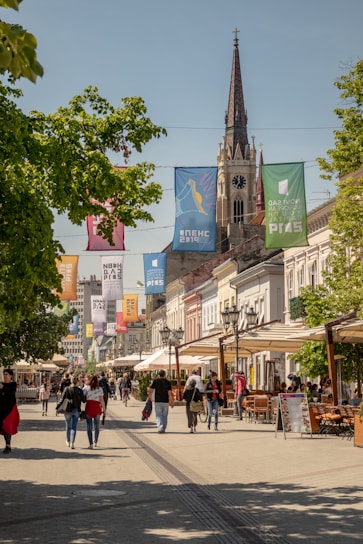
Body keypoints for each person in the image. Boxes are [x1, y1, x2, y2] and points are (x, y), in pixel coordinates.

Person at [57, 375, 85, 449]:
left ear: (71, 381)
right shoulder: (79, 390)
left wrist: (57, 407)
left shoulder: (67, 389)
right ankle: (72, 442)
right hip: (76, 409)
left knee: (68, 426)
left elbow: (62, 399)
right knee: (74, 427)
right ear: (77, 381)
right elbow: (84, 400)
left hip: (67, 409)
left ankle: (68, 441)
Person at [0, 369, 20, 454]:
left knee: (7, 426)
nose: (5, 376)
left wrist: (3, 388)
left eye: (7, 374)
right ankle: (7, 445)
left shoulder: (13, 384)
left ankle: (8, 445)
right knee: (2, 427)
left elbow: (11, 392)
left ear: (11, 376)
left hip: (10, 409)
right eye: (4, 374)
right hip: (1, 409)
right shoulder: (1, 384)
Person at [148, 369, 174, 433]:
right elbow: (169, 393)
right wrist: (171, 401)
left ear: (158, 375)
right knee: (165, 415)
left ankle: (160, 428)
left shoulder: (155, 381)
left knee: (159, 415)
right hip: (165, 401)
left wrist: (149, 398)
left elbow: (151, 391)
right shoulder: (168, 382)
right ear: (165, 375)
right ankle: (163, 428)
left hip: (158, 401)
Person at [83, 375, 105, 449]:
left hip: (89, 408)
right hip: (97, 408)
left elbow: (82, 399)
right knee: (97, 426)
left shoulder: (85, 389)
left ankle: (90, 443)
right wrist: (104, 410)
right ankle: (95, 441)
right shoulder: (100, 389)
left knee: (89, 426)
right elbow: (102, 401)